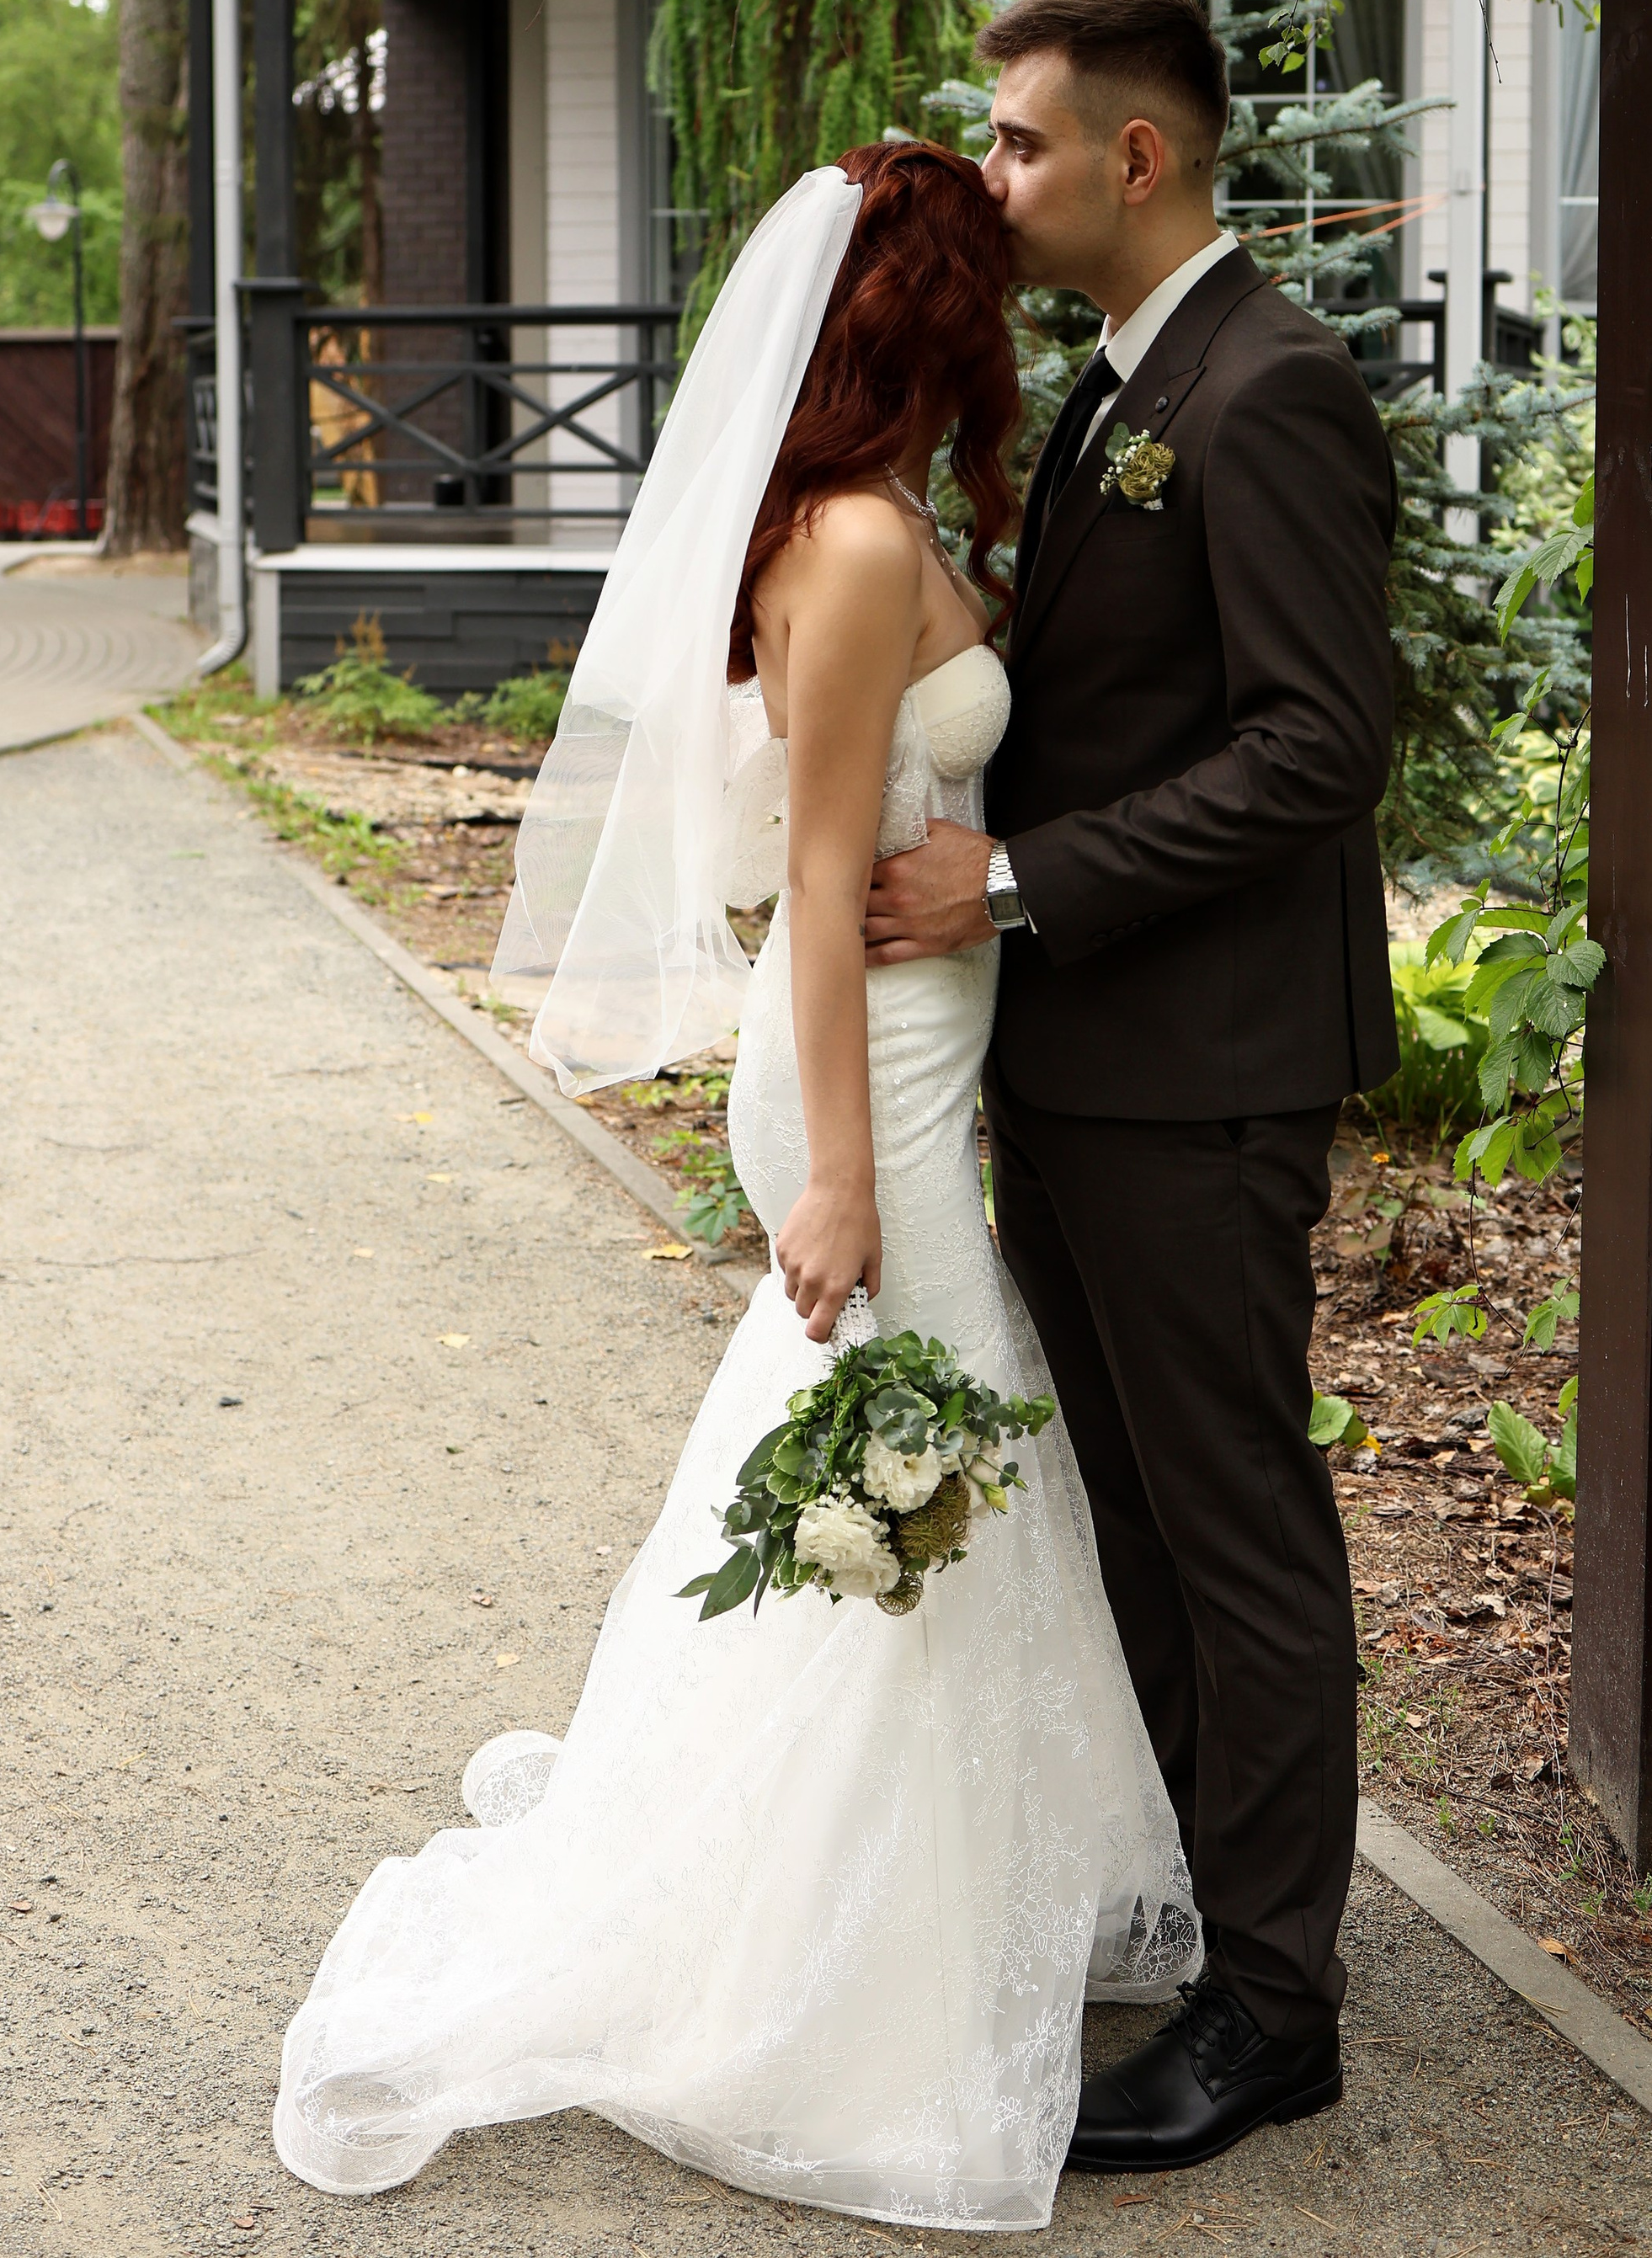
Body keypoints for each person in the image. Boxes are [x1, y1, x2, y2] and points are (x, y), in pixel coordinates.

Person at [270, 142, 1196, 2231]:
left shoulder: (866, 521)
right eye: (987, 290)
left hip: (910, 1056)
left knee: (918, 1485)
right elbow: (809, 870)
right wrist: (845, 1185)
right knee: (908, 1482)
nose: (1012, 319)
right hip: (858, 1078)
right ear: (928, 316)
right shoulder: (857, 546)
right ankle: (820, 1970)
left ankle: (899, 1912)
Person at [866, 0, 1399, 2175]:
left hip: (1206, 1071)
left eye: (1013, 145)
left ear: (1133, 161)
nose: (994, 178)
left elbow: (1317, 744)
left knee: (1236, 1531)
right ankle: (1196, 1902)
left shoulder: (1266, 389)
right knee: (1144, 1536)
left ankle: (1278, 2010)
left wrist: (1017, 883)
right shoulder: (1117, 390)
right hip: (1084, 1071)